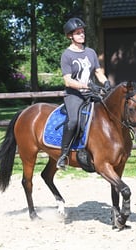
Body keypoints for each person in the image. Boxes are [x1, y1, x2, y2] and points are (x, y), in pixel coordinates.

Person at [56, 17, 112, 170]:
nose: (82, 35)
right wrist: (84, 86)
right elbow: (67, 81)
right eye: (78, 33)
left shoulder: (90, 52)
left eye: (82, 32)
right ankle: (63, 155)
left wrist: (106, 83)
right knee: (73, 121)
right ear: (70, 36)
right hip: (74, 95)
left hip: (90, 92)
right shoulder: (66, 55)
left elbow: (98, 72)